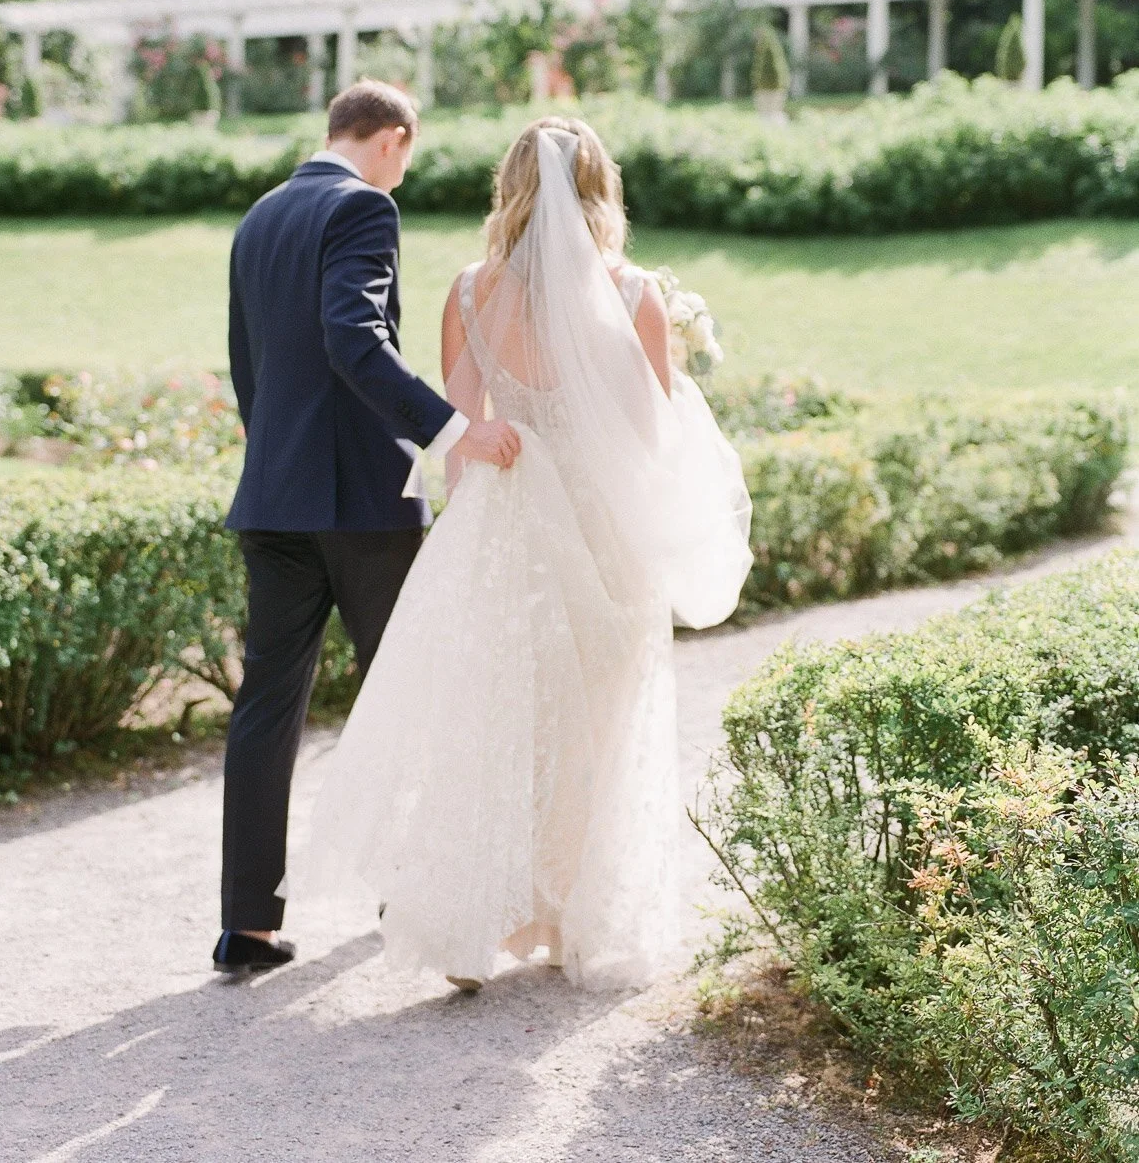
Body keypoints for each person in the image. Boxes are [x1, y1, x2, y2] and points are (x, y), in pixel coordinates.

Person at [304, 116, 752, 991]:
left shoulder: (469, 293)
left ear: (509, 190)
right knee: (595, 731)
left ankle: (469, 929)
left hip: (503, 531)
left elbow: (464, 430)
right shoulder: (631, 295)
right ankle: (566, 922)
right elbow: (647, 439)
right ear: (599, 191)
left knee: (491, 722)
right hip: (601, 535)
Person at [213, 80, 521, 975]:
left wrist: (276, 457)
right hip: (359, 503)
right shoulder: (362, 209)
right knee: (407, 697)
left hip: (273, 498)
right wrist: (457, 430)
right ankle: (413, 900)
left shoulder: (261, 215)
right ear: (391, 138)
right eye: (406, 159)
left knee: (266, 706)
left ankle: (246, 927)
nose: (401, 175)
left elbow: (246, 364)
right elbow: (354, 338)